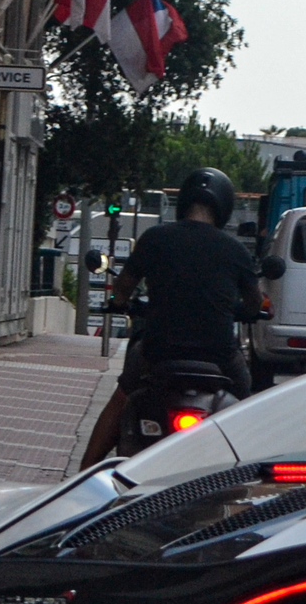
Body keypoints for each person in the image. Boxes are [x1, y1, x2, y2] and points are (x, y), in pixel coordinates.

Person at [79, 168, 260, 466]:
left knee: (120, 398)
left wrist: (119, 302)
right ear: (224, 207)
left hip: (159, 350)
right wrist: (245, 311)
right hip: (219, 355)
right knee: (248, 405)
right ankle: (251, 473)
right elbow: (253, 302)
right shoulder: (236, 250)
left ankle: (82, 474)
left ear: (183, 202)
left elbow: (123, 285)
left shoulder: (154, 238)